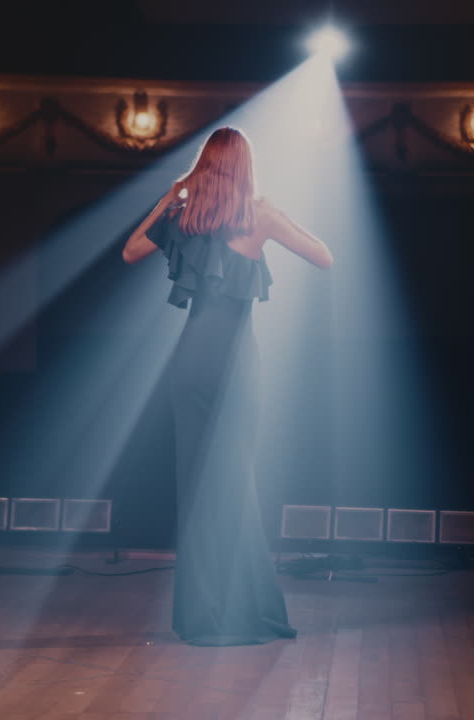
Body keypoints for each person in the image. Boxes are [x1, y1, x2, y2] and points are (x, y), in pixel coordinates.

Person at [122, 127, 333, 646]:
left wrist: (170, 196)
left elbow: (129, 252)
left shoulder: (184, 216)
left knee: (197, 488)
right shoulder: (258, 216)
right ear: (245, 167)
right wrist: (280, 214)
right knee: (234, 484)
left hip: (190, 360)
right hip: (236, 363)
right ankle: (239, 611)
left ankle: (203, 616)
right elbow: (325, 256)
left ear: (205, 167)